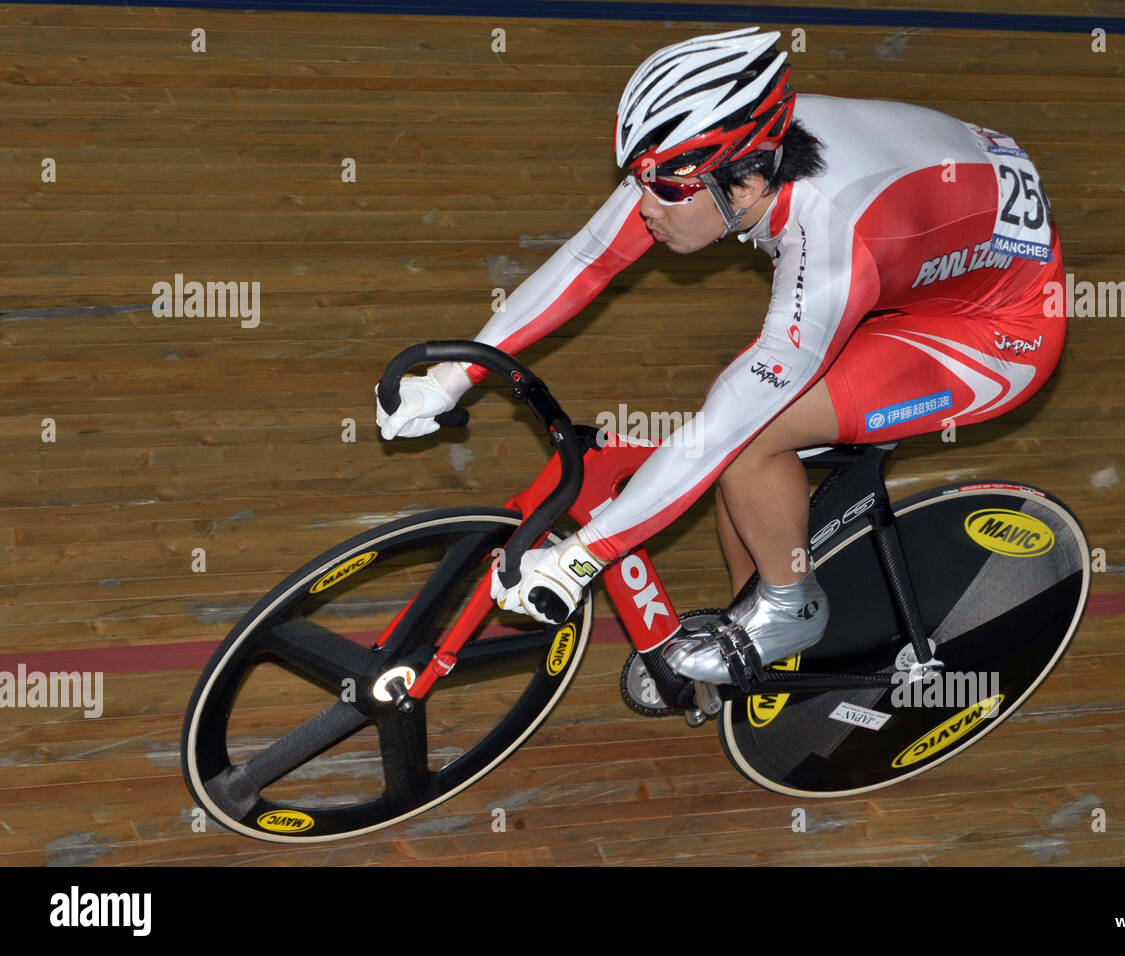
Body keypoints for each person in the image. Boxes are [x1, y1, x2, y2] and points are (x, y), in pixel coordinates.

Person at [376, 26, 1066, 687]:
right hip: (923, 255)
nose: (643, 205)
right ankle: (757, 608)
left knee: (751, 435)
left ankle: (792, 606)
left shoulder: (829, 234)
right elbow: (589, 258)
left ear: (744, 183)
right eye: (639, 177)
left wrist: (582, 557)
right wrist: (452, 377)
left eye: (667, 190)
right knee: (747, 421)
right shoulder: (725, 149)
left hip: (997, 327)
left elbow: (722, 427)